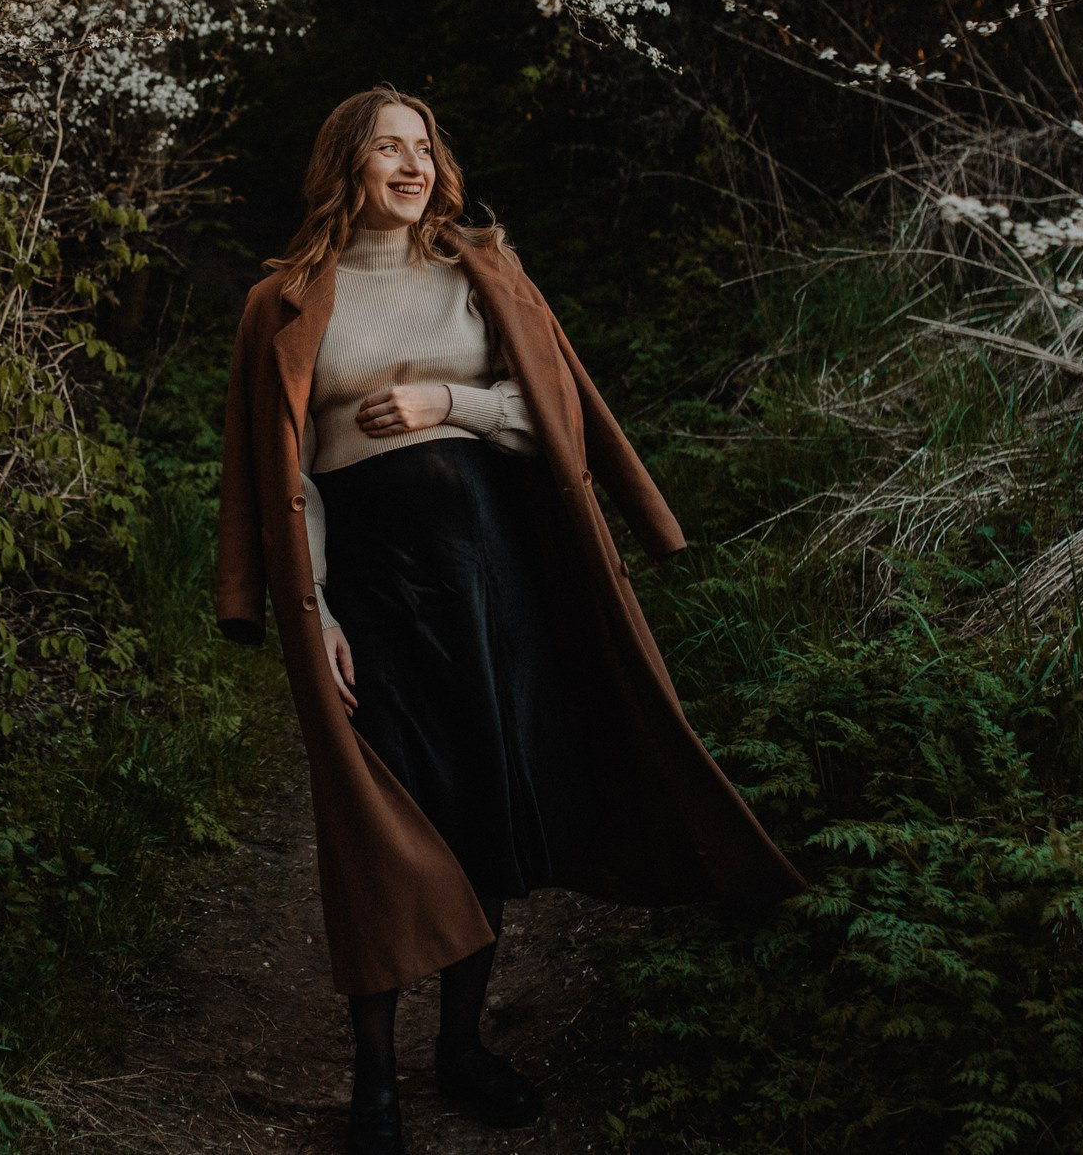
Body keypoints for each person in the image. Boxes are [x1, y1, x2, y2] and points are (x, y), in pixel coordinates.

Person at [216, 86, 804, 1154]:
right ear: (344, 165)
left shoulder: (482, 271)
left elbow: (555, 415)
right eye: (387, 148)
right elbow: (285, 476)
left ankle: (461, 1045)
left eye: (424, 146)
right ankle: (374, 1080)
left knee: (483, 798)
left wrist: (452, 404)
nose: (412, 165)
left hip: (495, 579)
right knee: (380, 820)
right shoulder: (285, 301)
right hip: (374, 592)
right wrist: (322, 609)